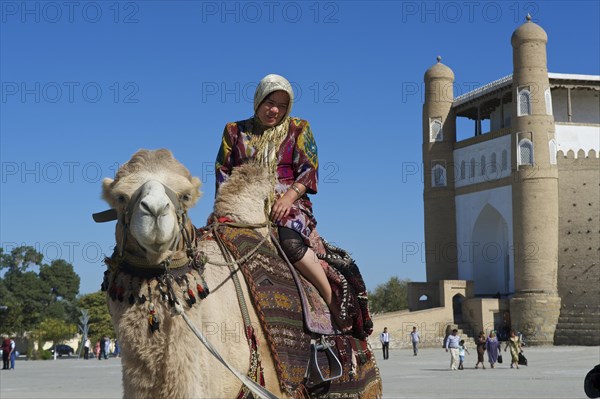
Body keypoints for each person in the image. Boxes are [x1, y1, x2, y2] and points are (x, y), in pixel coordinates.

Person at [215, 74, 343, 327]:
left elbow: (309, 169)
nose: (274, 110)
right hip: (243, 199)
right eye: (269, 102)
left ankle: (331, 301)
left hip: (288, 199)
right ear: (258, 100)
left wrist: (288, 197)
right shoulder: (234, 131)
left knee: (290, 242)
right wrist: (224, 205)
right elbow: (223, 171)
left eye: (282, 106)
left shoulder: (299, 128)